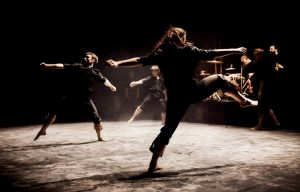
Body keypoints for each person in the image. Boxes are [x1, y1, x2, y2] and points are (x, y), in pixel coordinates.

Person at [106, 27, 257, 174]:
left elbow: (139, 60)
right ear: (180, 38)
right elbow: (212, 54)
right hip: (193, 91)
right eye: (184, 37)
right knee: (220, 78)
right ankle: (243, 101)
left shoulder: (161, 53)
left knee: (168, 129)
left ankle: (153, 164)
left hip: (175, 96)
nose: (186, 40)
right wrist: (235, 50)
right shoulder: (189, 50)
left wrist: (118, 63)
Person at [34, 52, 117, 142]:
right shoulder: (78, 66)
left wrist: (112, 86)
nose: (84, 58)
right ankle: (43, 130)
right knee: (53, 111)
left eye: (87, 57)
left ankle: (99, 137)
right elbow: (61, 66)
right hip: (71, 96)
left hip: (86, 99)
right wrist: (47, 66)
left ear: (93, 60)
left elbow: (104, 80)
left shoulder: (95, 72)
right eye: (84, 57)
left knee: (96, 119)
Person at [241, 48, 281, 130]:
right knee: (267, 106)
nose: (255, 56)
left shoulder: (261, 64)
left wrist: (260, 90)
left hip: (263, 88)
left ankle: (260, 125)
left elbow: (263, 78)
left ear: (259, 55)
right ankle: (276, 123)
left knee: (261, 107)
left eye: (256, 55)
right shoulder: (260, 63)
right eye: (255, 55)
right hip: (265, 88)